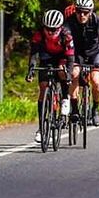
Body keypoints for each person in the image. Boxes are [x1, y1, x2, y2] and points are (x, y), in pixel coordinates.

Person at [26, 9, 75, 143]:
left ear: (60, 27)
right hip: (46, 57)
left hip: (62, 58)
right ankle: (42, 128)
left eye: (54, 30)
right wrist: (30, 70)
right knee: (43, 88)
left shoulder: (67, 36)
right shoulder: (39, 34)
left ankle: (65, 98)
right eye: (48, 29)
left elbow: (70, 58)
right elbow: (34, 54)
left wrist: (68, 75)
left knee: (61, 70)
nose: (51, 32)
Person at [65, 0, 99, 126]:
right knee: (73, 75)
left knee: (95, 80)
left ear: (91, 12)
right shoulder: (69, 22)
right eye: (79, 11)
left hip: (95, 53)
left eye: (86, 12)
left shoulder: (98, 21)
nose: (82, 15)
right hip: (77, 53)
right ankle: (74, 110)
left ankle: (95, 109)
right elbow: (65, 41)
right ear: (75, 10)